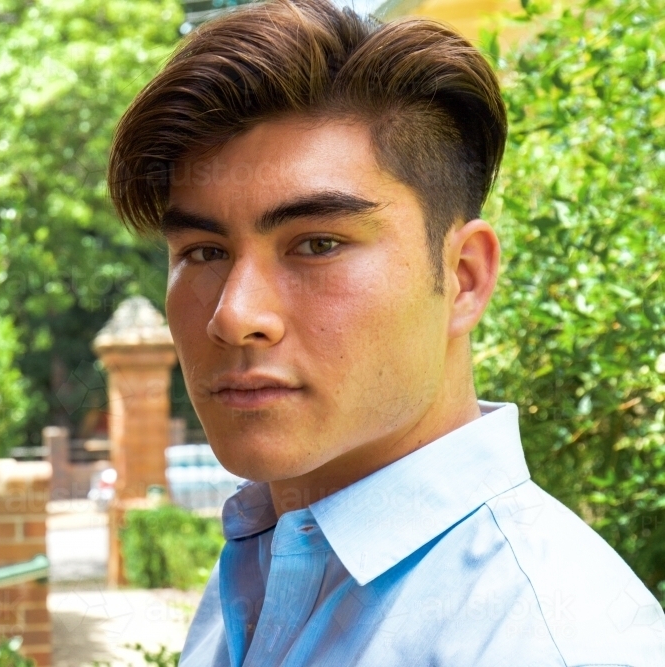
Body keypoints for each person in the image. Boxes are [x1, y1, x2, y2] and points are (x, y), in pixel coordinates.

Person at [106, 0, 665, 665]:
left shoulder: (552, 638)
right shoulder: (263, 563)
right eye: (202, 251)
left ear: (462, 277)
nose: (232, 314)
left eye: (316, 243)